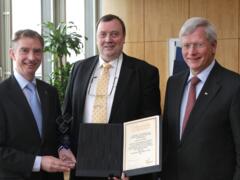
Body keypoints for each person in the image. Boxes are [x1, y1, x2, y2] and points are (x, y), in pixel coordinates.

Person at [59, 14, 161, 180]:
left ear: (123, 38)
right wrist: (64, 145)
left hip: (121, 169)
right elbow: (67, 114)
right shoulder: (79, 68)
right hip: (82, 164)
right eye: (103, 34)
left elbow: (149, 124)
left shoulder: (145, 73)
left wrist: (133, 169)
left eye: (114, 34)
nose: (108, 39)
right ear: (97, 37)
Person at [162, 17, 240, 180]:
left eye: (198, 44)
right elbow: (168, 139)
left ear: (213, 46)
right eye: (186, 45)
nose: (191, 52)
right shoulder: (173, 83)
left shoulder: (234, 85)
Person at [0, 29, 74, 179]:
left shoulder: (50, 92)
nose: (31, 57)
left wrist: (62, 148)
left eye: (37, 51)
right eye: (24, 51)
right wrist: (38, 162)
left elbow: (58, 131)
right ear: (12, 54)